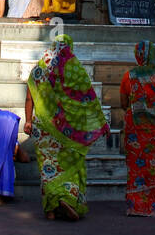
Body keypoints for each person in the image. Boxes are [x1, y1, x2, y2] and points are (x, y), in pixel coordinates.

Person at [23, 34, 108, 220]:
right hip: (70, 130)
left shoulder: (39, 68)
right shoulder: (74, 68)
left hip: (43, 127)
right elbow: (88, 99)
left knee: (48, 167)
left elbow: (30, 97)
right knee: (71, 167)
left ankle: (51, 208)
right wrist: (100, 122)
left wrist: (28, 120)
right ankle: (67, 199)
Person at [119, 42, 155, 217]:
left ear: (138, 55)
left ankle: (136, 206)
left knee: (138, 167)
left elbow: (123, 104)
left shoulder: (129, 76)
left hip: (137, 130)